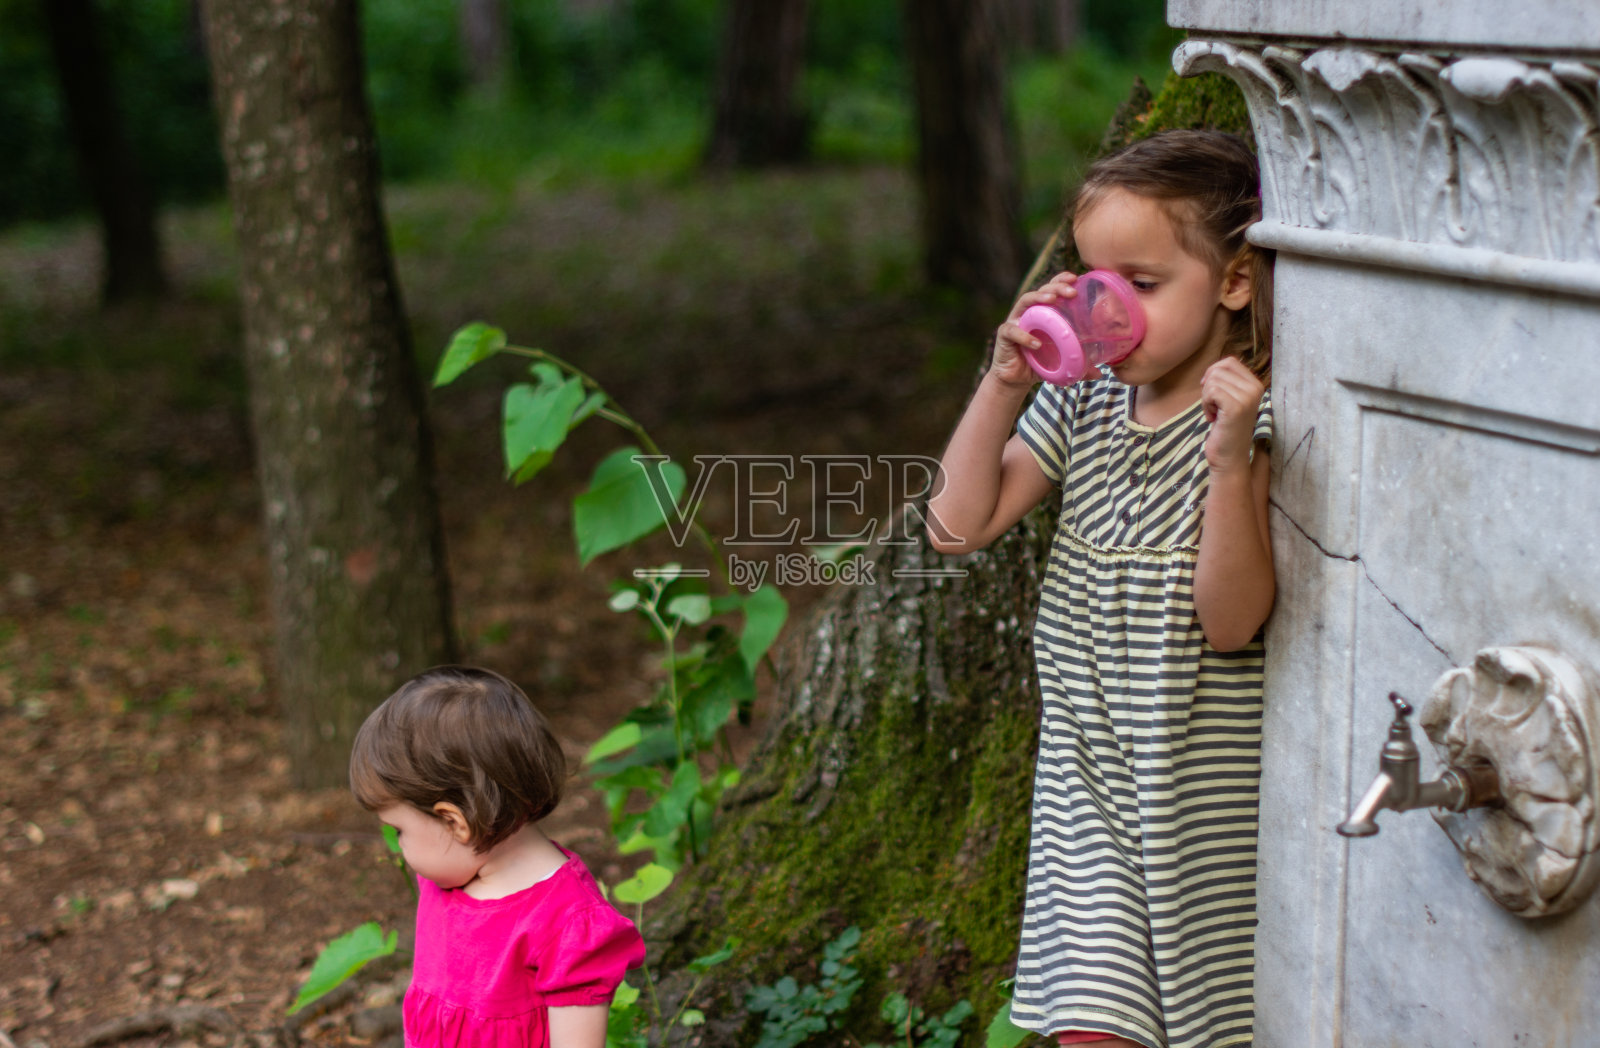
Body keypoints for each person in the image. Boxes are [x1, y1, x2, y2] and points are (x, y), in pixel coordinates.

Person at [927, 130, 1275, 1048]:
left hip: (1200, 798)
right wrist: (1005, 384)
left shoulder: (1252, 423)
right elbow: (956, 527)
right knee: (1091, 1030)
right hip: (1087, 782)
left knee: (1219, 1025)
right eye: (1091, 283)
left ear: (1234, 280)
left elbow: (1233, 625)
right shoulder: (1084, 402)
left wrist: (1230, 466)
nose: (1105, 311)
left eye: (1142, 285)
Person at [349, 665, 645, 1048]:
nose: (397, 844)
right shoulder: (451, 877)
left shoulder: (567, 924)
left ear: (454, 822)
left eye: (398, 830)